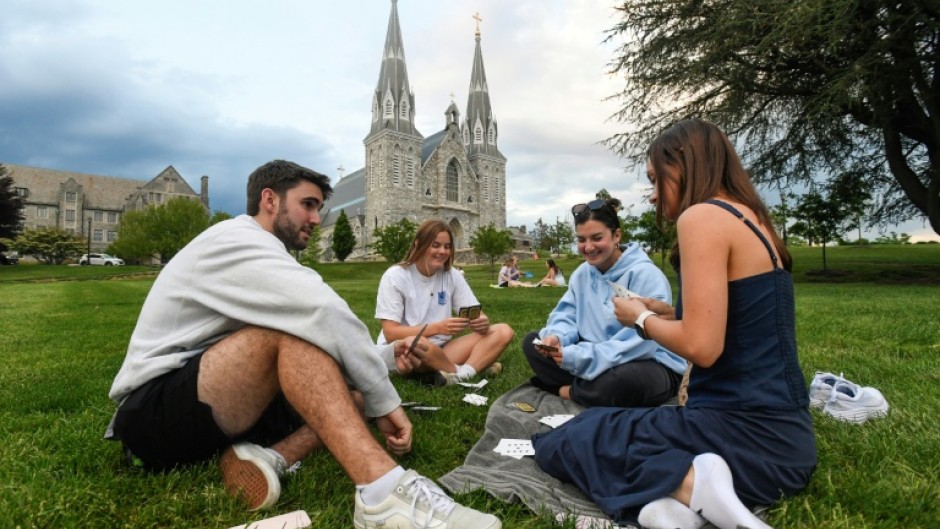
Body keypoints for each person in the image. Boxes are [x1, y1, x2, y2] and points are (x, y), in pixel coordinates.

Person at [105, 160, 501, 529]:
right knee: (293, 333)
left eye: (319, 207)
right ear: (269, 199)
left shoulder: (267, 251)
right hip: (153, 416)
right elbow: (323, 312)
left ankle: (271, 457)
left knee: (350, 398)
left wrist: (381, 364)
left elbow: (327, 341)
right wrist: (387, 400)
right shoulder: (236, 240)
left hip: (215, 406)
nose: (317, 218)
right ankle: (382, 496)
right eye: (308, 205)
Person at [532, 120, 816, 529]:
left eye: (653, 179)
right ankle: (672, 510)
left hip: (739, 434)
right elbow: (738, 321)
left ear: (682, 165)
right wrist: (667, 315)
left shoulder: (701, 216)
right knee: (617, 429)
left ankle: (691, 484)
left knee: (573, 437)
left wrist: (641, 318)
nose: (650, 195)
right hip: (786, 444)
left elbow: (703, 347)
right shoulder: (752, 218)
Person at [523, 197, 685, 408]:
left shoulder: (646, 275)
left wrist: (577, 357)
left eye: (597, 238)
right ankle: (589, 390)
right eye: (581, 240)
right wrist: (556, 337)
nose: (588, 247)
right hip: (591, 353)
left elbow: (639, 345)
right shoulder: (582, 274)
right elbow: (566, 314)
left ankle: (568, 390)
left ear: (617, 235)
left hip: (644, 361)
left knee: (624, 381)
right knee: (532, 342)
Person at [375, 219, 514, 383]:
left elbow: (476, 314)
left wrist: (482, 322)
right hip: (406, 350)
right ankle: (467, 369)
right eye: (435, 245)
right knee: (417, 343)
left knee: (503, 331)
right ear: (418, 244)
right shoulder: (396, 276)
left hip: (442, 351)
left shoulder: (451, 275)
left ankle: (460, 375)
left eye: (447, 246)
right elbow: (391, 333)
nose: (442, 251)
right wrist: (437, 328)